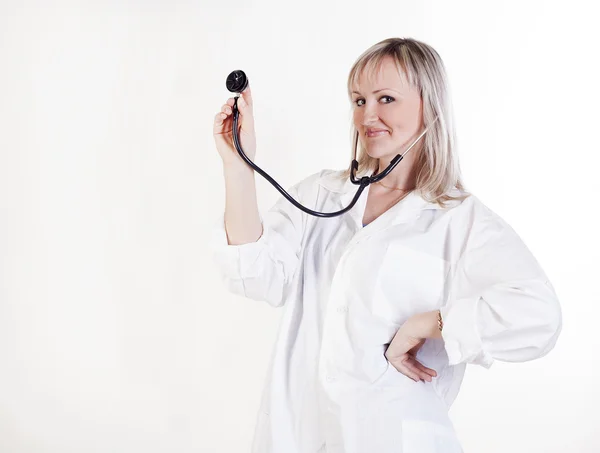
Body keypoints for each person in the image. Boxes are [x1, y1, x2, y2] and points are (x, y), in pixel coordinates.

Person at [210, 37, 562, 453]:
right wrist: (238, 165)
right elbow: (256, 276)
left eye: (386, 98)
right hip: (300, 434)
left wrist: (430, 324)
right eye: (358, 100)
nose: (367, 115)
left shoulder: (459, 219)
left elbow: (539, 316)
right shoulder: (322, 194)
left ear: (429, 106)